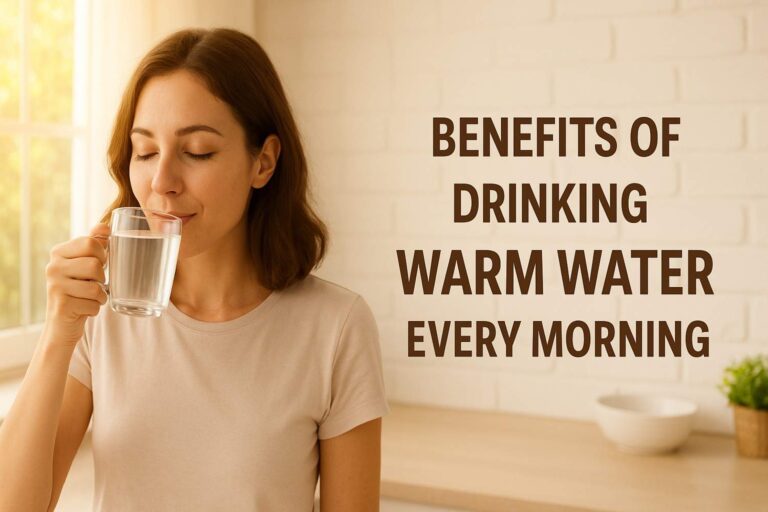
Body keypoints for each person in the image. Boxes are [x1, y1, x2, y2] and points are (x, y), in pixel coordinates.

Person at [0, 27, 389, 512]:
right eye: (145, 152)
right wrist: (57, 333)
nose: (162, 182)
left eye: (198, 151)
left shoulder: (336, 327)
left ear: (263, 163)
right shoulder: (100, 316)